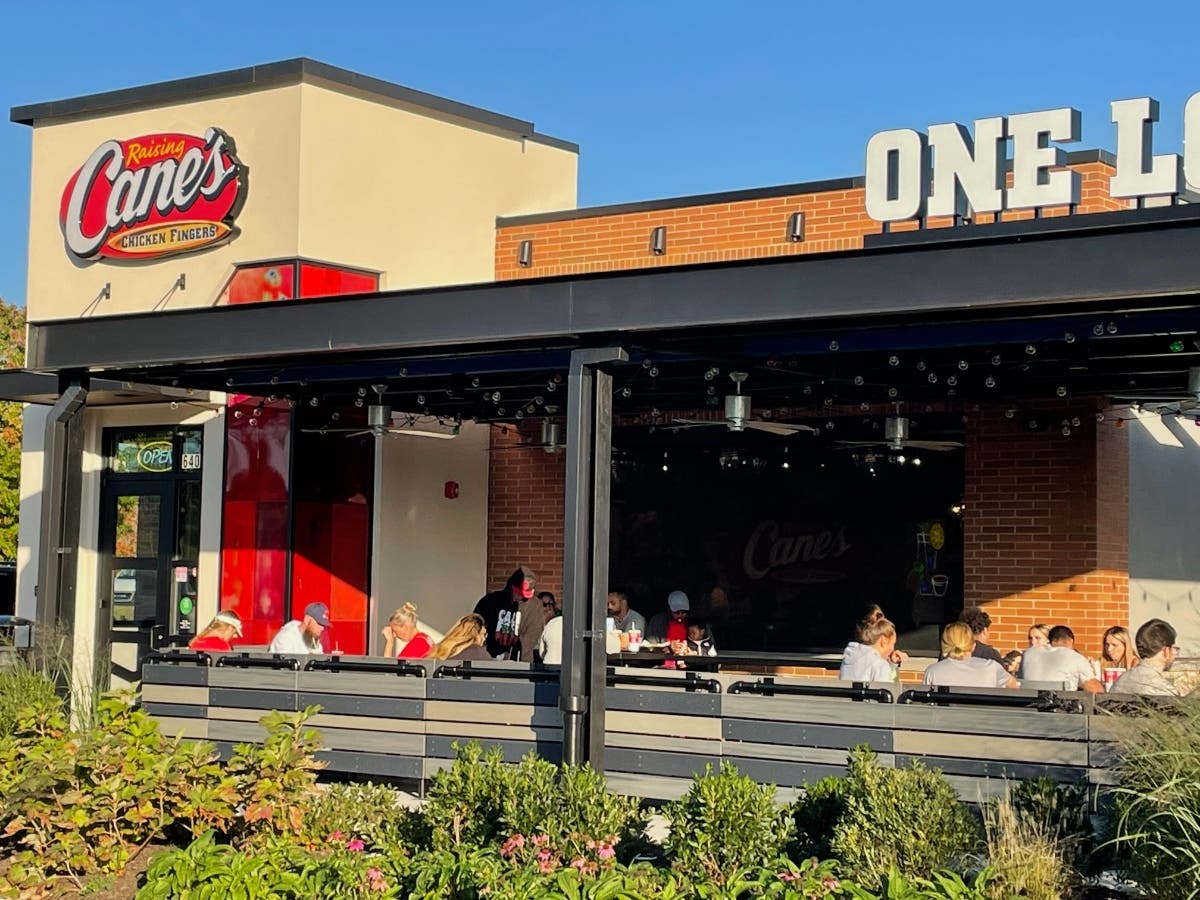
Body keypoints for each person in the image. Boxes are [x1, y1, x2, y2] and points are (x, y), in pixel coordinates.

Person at [924, 622, 1016, 688]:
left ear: (944, 645)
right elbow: (1013, 686)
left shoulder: (933, 671)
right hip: (984, 714)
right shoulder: (991, 667)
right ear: (973, 646)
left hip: (945, 715)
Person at [474, 566, 536, 659]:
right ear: (512, 587)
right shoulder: (490, 601)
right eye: (519, 594)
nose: (521, 598)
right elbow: (475, 629)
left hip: (517, 662)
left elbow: (530, 637)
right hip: (489, 659)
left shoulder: (531, 607)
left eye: (525, 597)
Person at [1018, 625, 1104, 693]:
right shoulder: (1075, 657)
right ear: (1070, 641)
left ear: (1050, 641)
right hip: (1061, 713)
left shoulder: (1028, 654)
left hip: (1028, 711)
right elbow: (1096, 690)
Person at [1112, 619, 1182, 696]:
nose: (1175, 653)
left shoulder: (1120, 682)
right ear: (1166, 651)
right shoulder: (1165, 691)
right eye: (1175, 649)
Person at [839, 607, 899, 682]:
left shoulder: (848, 659)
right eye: (892, 644)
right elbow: (887, 691)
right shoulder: (880, 665)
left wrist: (891, 664)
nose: (893, 648)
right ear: (883, 642)